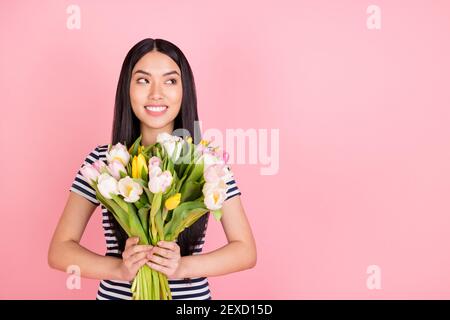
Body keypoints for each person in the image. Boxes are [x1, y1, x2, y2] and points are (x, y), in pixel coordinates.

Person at [48, 38, 257, 300]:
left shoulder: (206, 163)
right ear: (127, 89)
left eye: (170, 81)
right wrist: (120, 269)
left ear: (184, 90)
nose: (156, 93)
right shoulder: (105, 161)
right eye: (143, 80)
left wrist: (181, 267)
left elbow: (245, 251)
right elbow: (60, 250)